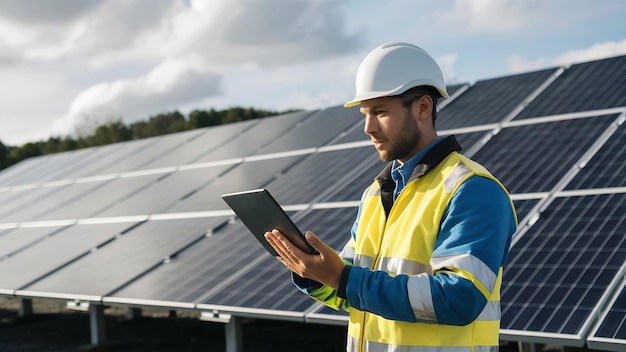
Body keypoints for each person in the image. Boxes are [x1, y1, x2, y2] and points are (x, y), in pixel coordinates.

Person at [265, 42, 517, 352]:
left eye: (380, 112)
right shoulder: (375, 194)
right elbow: (356, 294)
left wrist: (343, 278)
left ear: (423, 107)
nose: (368, 128)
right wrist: (315, 273)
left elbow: (459, 298)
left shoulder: (472, 189)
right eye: (365, 114)